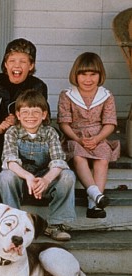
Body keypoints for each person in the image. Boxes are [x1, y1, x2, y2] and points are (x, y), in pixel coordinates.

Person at [0, 89, 76, 241]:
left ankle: (56, 224)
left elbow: (59, 161)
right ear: (18, 115)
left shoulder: (50, 133)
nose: (30, 117)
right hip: (22, 181)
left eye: (35, 112)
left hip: (44, 181)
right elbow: (10, 160)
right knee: (5, 176)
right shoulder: (12, 132)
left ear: (44, 114)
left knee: (68, 175)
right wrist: (28, 177)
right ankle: (13, 223)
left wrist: (45, 180)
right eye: (25, 112)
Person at [58, 52, 120, 219]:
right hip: (75, 135)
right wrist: (78, 139)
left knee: (102, 159)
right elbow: (64, 123)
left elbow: (110, 123)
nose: (88, 79)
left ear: (100, 75)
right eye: (83, 74)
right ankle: (95, 193)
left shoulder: (106, 96)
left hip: (98, 135)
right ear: (75, 75)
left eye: (93, 74)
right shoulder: (67, 95)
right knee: (78, 156)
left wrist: (97, 139)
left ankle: (94, 205)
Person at [0, 38, 49, 166]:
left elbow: (43, 117)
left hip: (23, 139)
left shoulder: (38, 86)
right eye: (12, 61)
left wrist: (17, 122)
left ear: (31, 65)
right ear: (6, 64)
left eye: (23, 61)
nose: (17, 65)